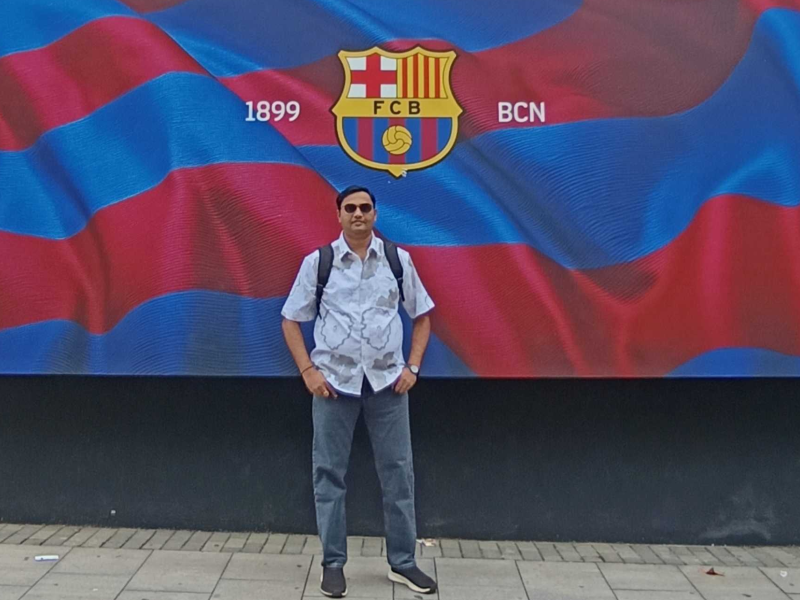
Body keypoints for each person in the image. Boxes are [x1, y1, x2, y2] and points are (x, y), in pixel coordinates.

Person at [281, 185, 437, 598]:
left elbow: (423, 315)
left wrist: (413, 367)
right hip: (333, 385)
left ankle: (403, 563)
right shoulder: (320, 263)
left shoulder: (397, 261)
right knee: (329, 475)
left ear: (375, 214)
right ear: (338, 215)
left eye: (365, 207)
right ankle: (333, 564)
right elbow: (290, 319)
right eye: (349, 208)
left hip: (388, 385)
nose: (358, 214)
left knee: (399, 474)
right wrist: (308, 371)